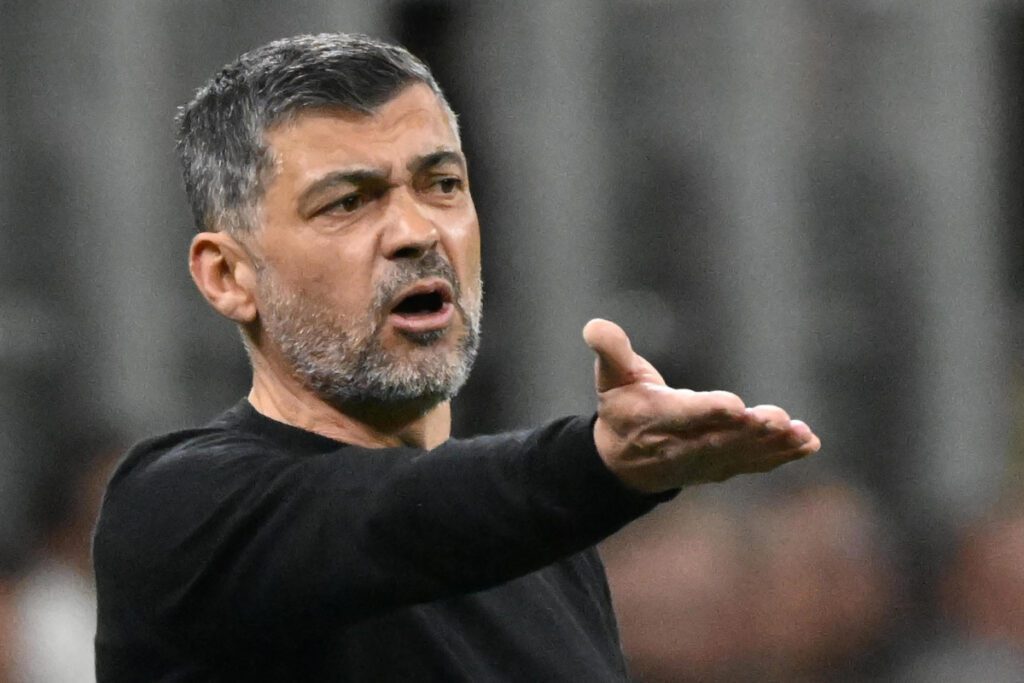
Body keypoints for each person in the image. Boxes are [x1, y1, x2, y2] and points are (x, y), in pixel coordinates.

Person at [92, 33, 820, 681]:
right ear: (229, 276)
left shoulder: (550, 557)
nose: (416, 231)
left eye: (442, 184)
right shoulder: (179, 510)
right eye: (347, 201)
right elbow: (392, 519)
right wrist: (595, 463)